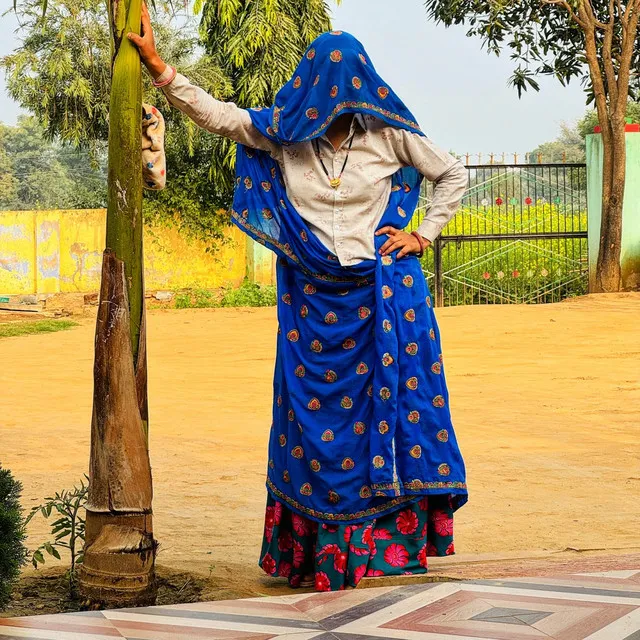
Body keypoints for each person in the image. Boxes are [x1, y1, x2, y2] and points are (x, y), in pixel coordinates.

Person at [129, 5, 469, 592]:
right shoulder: (286, 134)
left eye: (347, 83)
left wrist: (422, 234)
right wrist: (163, 70)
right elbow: (222, 118)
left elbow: (454, 174)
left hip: (382, 300)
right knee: (310, 424)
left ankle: (382, 548)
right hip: (312, 307)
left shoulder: (390, 135)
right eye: (326, 83)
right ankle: (315, 552)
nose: (337, 95)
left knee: (385, 417)